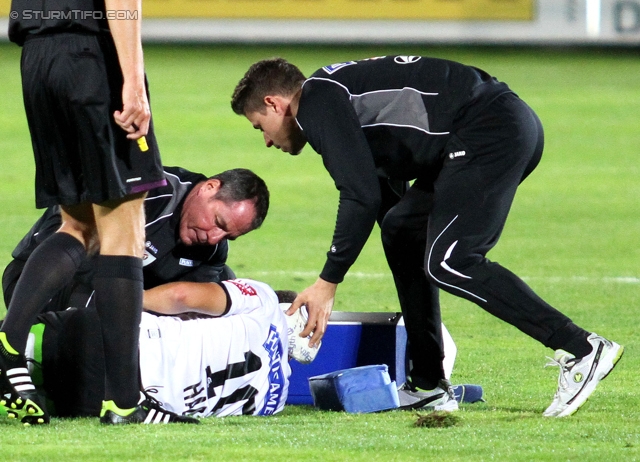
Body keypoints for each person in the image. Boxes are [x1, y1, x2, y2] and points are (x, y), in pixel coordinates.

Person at [230, 56, 624, 417]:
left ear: (274, 103)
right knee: (403, 233)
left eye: (258, 126)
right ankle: (427, 384)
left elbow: (359, 195)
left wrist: (327, 281)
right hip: (493, 126)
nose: (265, 140)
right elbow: (382, 194)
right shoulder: (335, 98)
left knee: (451, 260)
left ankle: (582, 348)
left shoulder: (315, 100)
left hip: (489, 129)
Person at [3, 0, 169, 425]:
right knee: (124, 227)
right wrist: (133, 80)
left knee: (79, 224)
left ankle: (8, 345)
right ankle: (125, 401)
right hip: (91, 56)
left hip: (38, 57)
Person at [6, 278, 303, 421]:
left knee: (10, 347)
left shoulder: (265, 302)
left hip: (114, 347)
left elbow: (182, 295)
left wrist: (121, 301)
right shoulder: (273, 403)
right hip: (113, 402)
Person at [2, 167, 270, 313]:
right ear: (209, 188)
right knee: (99, 302)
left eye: (228, 236)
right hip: (41, 281)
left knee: (224, 282)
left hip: (121, 292)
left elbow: (191, 305)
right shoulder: (143, 196)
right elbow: (62, 250)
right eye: (218, 222)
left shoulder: (212, 250)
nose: (214, 238)